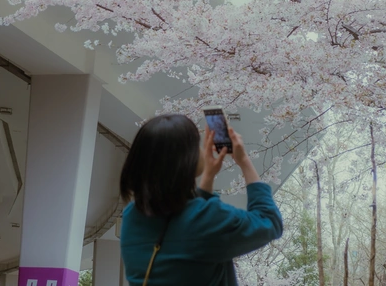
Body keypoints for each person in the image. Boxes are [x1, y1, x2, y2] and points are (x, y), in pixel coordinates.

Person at [119, 113, 283, 286]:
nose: (201, 150)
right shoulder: (208, 219)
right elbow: (269, 222)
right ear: (184, 159)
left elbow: (182, 231)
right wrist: (244, 160)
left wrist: (208, 177)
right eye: (196, 145)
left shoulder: (131, 216)